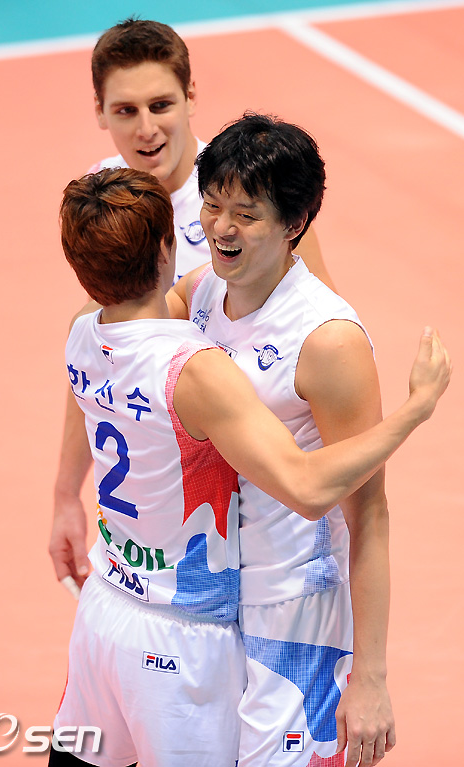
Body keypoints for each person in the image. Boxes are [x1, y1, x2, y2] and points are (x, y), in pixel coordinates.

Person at [50, 166, 449, 767]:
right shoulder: (194, 369)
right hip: (181, 637)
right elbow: (308, 487)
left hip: (105, 605)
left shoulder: (81, 335)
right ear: (167, 249)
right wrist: (415, 409)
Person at [169, 112, 451, 767]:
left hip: (295, 614)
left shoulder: (327, 341)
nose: (221, 227)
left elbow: (369, 511)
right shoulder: (203, 291)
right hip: (208, 601)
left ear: (295, 223)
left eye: (246, 214)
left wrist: (370, 677)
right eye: (212, 206)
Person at [49, 17, 333, 595]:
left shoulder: (247, 198)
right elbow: (100, 353)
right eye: (125, 110)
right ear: (100, 112)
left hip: (266, 495)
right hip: (171, 510)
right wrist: (64, 496)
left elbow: (321, 330)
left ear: (191, 96)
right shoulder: (109, 196)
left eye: (161, 105)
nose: (146, 129)